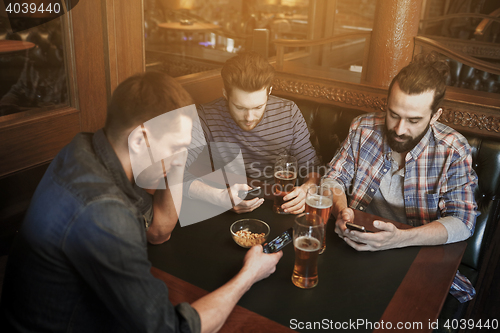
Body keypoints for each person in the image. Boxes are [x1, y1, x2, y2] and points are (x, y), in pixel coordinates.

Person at [0, 72, 282, 332]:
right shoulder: (104, 212)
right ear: (140, 139)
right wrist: (249, 275)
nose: (180, 159)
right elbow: (172, 329)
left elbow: (159, 230)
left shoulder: (84, 150)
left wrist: (176, 153)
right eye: (176, 148)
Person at [325, 53, 478, 303]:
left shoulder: (453, 149)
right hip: (354, 244)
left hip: (414, 254)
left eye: (414, 120)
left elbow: (463, 221)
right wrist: (341, 211)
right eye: (393, 114)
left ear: (436, 115)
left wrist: (400, 239)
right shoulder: (362, 128)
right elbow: (332, 179)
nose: (399, 129)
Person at [185, 51, 321, 215]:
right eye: (240, 107)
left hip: (279, 204)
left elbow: (312, 167)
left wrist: (308, 188)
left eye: (258, 107)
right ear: (226, 94)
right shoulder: (206, 116)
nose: (249, 118)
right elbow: (174, 173)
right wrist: (219, 197)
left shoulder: (289, 112)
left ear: (269, 91)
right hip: (225, 202)